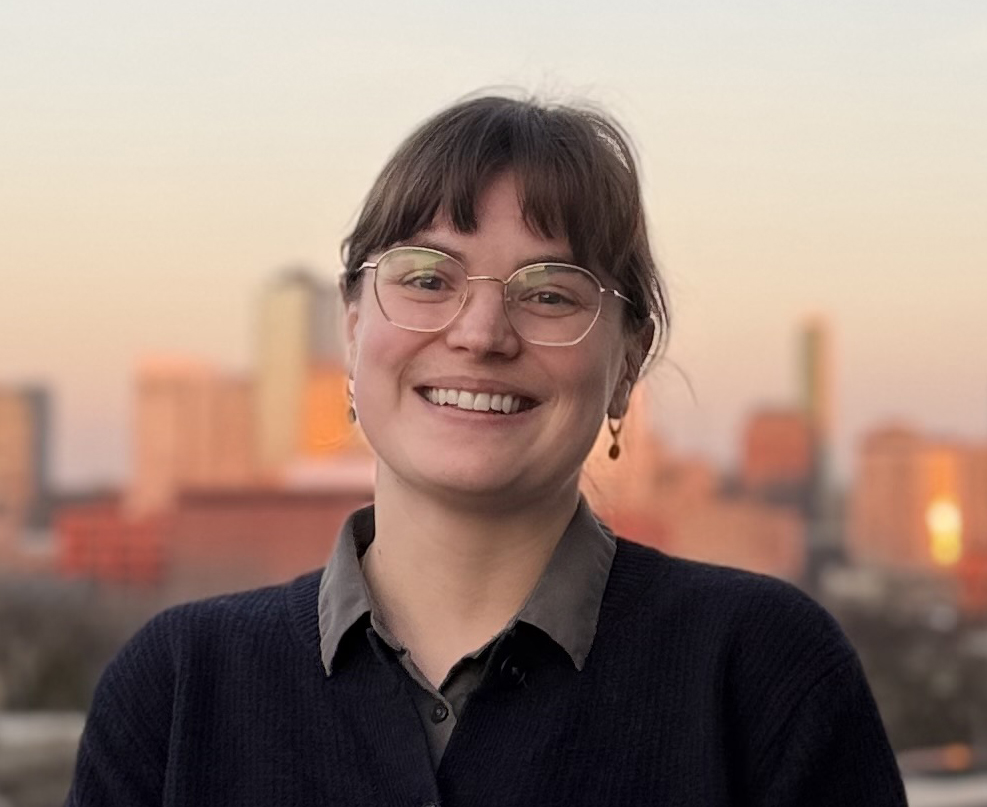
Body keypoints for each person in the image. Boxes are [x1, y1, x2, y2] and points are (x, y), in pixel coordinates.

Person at [67, 94, 907, 806]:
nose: (480, 334)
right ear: (353, 329)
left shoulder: (762, 673)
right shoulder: (177, 688)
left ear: (626, 364)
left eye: (549, 294)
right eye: (427, 278)